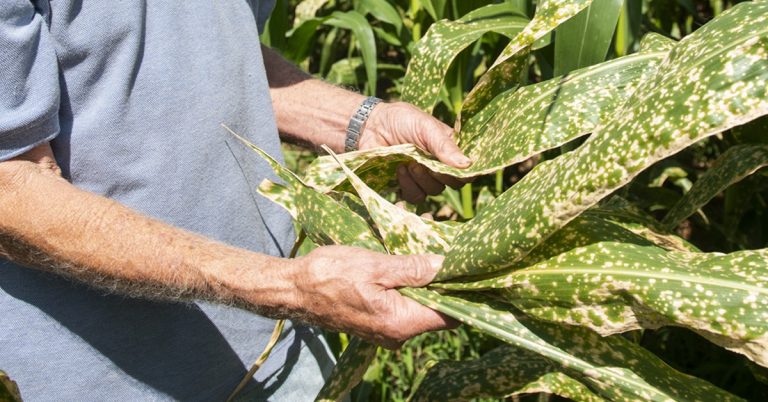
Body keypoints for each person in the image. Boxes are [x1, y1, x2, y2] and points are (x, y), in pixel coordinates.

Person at [0, 1, 472, 400]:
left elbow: (221, 57)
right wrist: (288, 289)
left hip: (283, 350)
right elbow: (11, 187)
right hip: (107, 379)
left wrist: (364, 124)